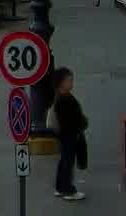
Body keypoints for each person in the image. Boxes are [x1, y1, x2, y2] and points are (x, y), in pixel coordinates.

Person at [50, 66, 88, 200]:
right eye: (69, 80)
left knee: (64, 161)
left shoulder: (63, 97)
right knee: (68, 163)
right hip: (69, 136)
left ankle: (60, 187)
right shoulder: (64, 100)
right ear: (61, 83)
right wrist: (81, 124)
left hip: (66, 136)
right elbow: (70, 120)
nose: (72, 83)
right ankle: (68, 190)